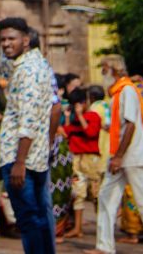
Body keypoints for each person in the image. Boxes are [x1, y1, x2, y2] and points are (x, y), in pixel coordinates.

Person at [0, 17, 55, 254]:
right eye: (3, 39)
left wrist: (19, 162)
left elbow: (28, 120)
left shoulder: (29, 71)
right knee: (38, 217)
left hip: (21, 159)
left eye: (11, 39)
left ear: (25, 40)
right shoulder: (26, 64)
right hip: (32, 157)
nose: (6, 44)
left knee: (28, 220)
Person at [84, 56, 143, 254]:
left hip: (132, 157)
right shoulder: (118, 93)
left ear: (114, 70)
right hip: (120, 156)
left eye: (104, 69)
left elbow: (130, 125)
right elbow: (123, 126)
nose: (102, 73)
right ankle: (104, 246)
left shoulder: (127, 90)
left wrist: (118, 157)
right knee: (105, 197)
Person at [63, 86, 102, 239]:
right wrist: (68, 117)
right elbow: (66, 132)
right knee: (78, 195)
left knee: (97, 194)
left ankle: (102, 229)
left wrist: (80, 116)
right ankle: (77, 228)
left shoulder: (93, 116)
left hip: (91, 160)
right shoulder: (75, 119)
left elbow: (91, 133)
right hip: (77, 160)